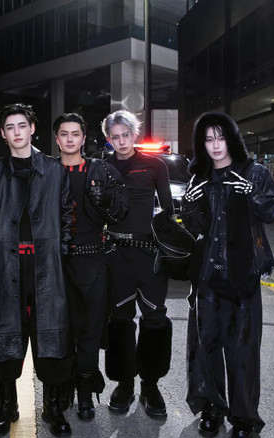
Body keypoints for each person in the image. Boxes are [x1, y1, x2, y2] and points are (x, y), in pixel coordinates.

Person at [181, 111, 274, 438]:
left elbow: (273, 211)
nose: (215, 146)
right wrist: (188, 207)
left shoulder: (254, 172)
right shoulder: (199, 175)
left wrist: (252, 193)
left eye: (221, 137)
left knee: (243, 349)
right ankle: (212, 408)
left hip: (244, 274)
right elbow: (195, 228)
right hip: (208, 275)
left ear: (231, 139)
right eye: (208, 139)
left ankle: (243, 418)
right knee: (207, 344)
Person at [0, 103, 74, 438]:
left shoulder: (55, 170)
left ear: (32, 128)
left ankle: (53, 407)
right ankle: (7, 407)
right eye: (10, 128)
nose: (17, 132)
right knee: (5, 338)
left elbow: (67, 216)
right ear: (2, 134)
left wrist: (61, 256)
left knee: (52, 336)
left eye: (22, 126)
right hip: (7, 267)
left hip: (47, 266)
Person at [53, 113, 128, 420]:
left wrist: (105, 201)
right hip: (57, 263)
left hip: (94, 260)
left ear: (84, 138)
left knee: (91, 331)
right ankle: (63, 388)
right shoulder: (46, 171)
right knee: (61, 331)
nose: (70, 139)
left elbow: (121, 212)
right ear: (57, 139)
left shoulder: (103, 170)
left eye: (76, 134)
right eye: (64, 134)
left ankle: (85, 393)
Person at [101, 109, 174, 419]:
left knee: (155, 320)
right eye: (115, 137)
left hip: (149, 253)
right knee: (120, 320)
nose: (121, 141)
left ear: (135, 134)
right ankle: (124, 384)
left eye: (126, 135)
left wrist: (172, 251)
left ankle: (150, 385)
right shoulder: (102, 167)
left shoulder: (155, 165)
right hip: (115, 253)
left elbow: (168, 212)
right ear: (109, 138)